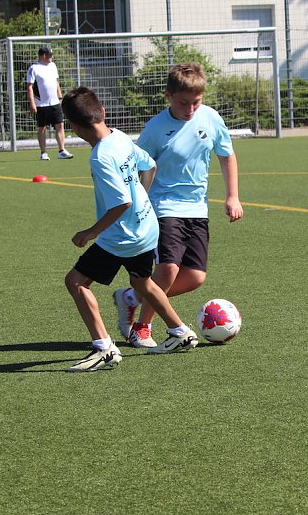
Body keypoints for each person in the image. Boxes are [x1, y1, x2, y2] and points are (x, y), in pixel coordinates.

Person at [61, 86, 198, 372]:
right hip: (147, 227)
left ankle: (103, 349)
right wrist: (142, 197)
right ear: (102, 113)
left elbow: (120, 203)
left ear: (72, 127)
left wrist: (90, 232)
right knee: (142, 282)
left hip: (123, 237)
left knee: (75, 281)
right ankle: (181, 333)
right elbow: (150, 166)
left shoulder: (100, 157)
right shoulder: (120, 138)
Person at [112, 62, 244, 348]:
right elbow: (137, 169)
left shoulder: (210, 118)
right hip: (163, 206)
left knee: (195, 277)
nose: (191, 109)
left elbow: (226, 155)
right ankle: (142, 328)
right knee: (169, 268)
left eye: (197, 102)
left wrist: (232, 196)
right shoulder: (156, 128)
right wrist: (135, 207)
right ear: (168, 96)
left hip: (197, 209)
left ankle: (132, 297)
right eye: (184, 103)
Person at [26, 46, 73, 160]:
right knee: (42, 127)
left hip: (55, 103)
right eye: (50, 56)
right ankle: (43, 152)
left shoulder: (53, 66)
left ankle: (61, 150)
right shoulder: (34, 68)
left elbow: (56, 82)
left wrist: (60, 97)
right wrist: (32, 103)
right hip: (41, 104)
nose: (52, 58)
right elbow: (30, 87)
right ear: (43, 56)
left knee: (60, 125)